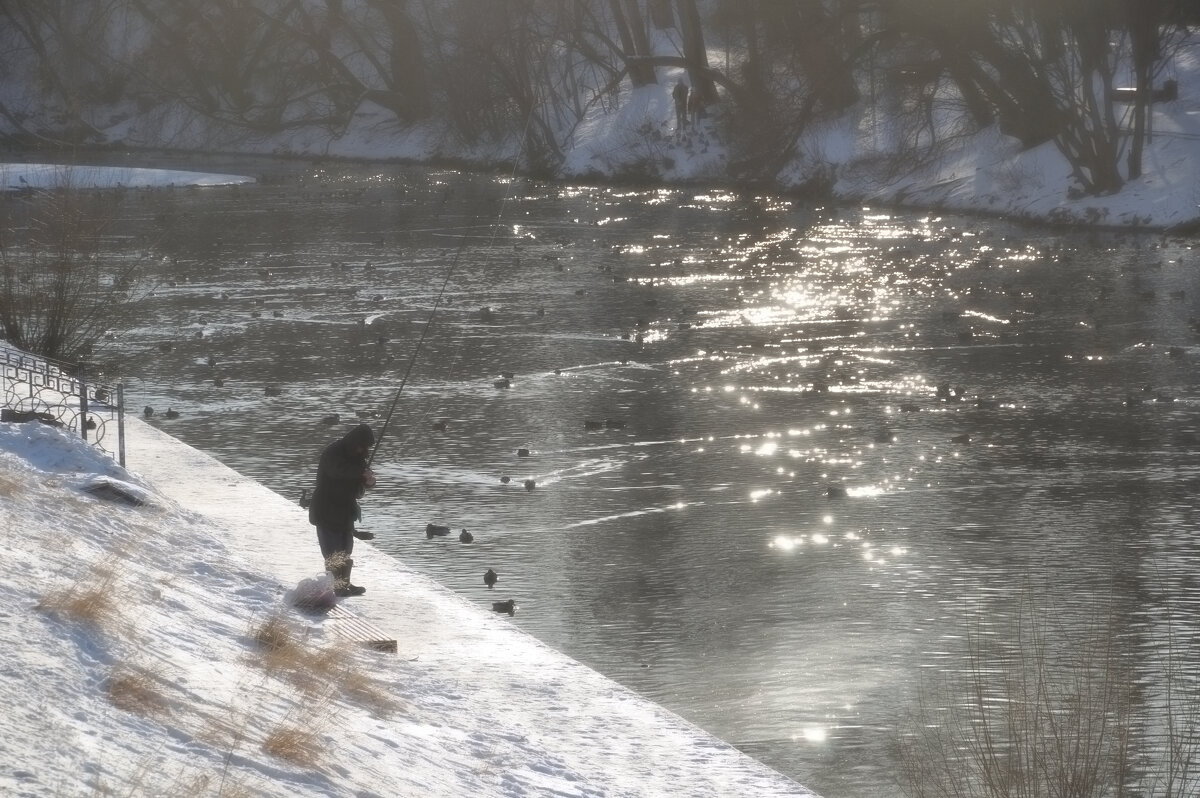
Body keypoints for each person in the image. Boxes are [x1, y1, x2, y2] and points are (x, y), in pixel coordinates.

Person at [308, 423, 377, 597]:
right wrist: (361, 472)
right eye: (362, 446)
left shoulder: (358, 457)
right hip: (326, 510)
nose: (363, 451)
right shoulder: (333, 452)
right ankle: (335, 586)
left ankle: (344, 584)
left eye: (366, 448)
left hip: (346, 511)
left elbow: (357, 485)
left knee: (346, 549)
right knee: (332, 551)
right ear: (355, 442)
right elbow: (338, 471)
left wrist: (369, 482)